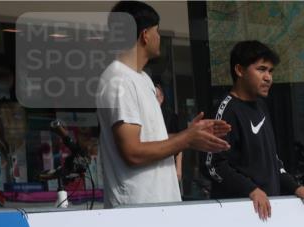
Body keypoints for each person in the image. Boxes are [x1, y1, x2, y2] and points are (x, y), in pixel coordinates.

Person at [96, 1, 229, 208]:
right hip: (138, 209)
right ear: (145, 35)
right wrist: (186, 138)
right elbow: (133, 152)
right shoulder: (119, 81)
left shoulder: (142, 78)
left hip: (159, 206)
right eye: (157, 31)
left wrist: (191, 135)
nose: (159, 37)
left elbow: (151, 141)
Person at [206, 41, 304, 220]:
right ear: (239, 70)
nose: (268, 78)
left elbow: (273, 161)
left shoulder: (261, 107)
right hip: (238, 216)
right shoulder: (226, 110)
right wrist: (251, 190)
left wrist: (295, 187)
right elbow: (213, 166)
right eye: (261, 69)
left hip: (268, 213)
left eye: (270, 71)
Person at [153, 79, 182, 186]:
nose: (155, 100)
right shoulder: (144, 118)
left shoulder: (171, 117)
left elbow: (179, 142)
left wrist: (178, 168)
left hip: (168, 164)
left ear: (162, 97)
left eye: (157, 96)